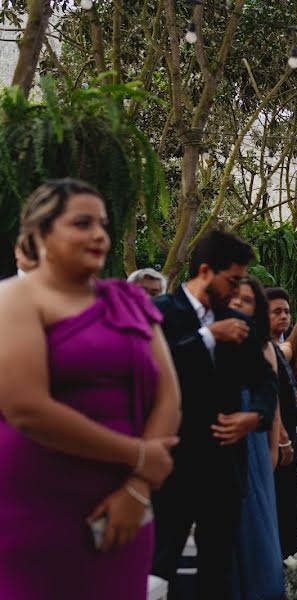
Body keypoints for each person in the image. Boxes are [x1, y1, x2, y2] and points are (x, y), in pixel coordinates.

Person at [0, 179, 180, 599]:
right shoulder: (15, 299)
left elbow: (169, 394)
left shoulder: (129, 300)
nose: (99, 234)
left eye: (102, 223)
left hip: (128, 506)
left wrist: (138, 487)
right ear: (40, 233)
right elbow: (25, 407)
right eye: (82, 223)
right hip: (37, 505)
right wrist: (140, 456)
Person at [151, 230, 278, 600]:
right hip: (173, 463)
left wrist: (254, 417)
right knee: (160, 566)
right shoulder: (160, 313)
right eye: (233, 279)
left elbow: (265, 381)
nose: (239, 287)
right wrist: (207, 337)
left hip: (225, 465)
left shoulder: (239, 320)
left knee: (218, 569)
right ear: (206, 271)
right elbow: (152, 371)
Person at [228, 277, 285, 600]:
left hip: (254, 438)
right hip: (214, 439)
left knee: (254, 516)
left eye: (246, 300)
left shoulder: (262, 345)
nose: (238, 305)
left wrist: (274, 446)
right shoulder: (205, 338)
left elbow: (272, 401)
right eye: (232, 298)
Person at [264, 287, 297, 559]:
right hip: (275, 434)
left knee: (286, 496)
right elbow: (270, 396)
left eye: (287, 311)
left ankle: (289, 552)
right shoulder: (270, 348)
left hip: (287, 429)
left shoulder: (277, 346)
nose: (284, 317)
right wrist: (283, 438)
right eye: (276, 312)